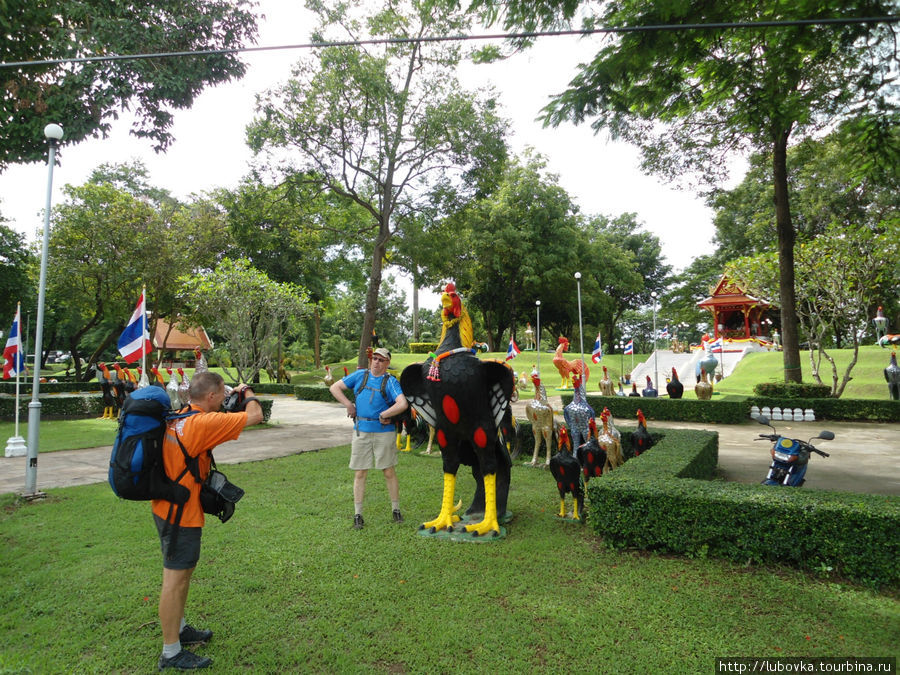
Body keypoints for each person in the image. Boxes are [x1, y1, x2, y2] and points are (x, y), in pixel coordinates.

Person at [153, 371, 263, 671]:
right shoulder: (203, 423)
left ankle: (180, 629)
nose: (225, 396)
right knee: (174, 580)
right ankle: (171, 652)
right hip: (180, 513)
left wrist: (231, 394)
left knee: (182, 574)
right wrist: (248, 393)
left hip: (167, 507)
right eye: (222, 393)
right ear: (212, 396)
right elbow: (255, 415)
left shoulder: (181, 415)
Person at [329, 347, 408, 530]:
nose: (377, 362)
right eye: (375, 358)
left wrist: (385, 413)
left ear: (387, 363)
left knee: (388, 471)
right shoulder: (360, 376)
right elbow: (335, 387)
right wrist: (348, 404)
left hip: (383, 431)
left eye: (381, 360)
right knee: (360, 472)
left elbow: (402, 403)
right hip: (361, 431)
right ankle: (358, 514)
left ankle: (395, 509)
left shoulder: (390, 381)